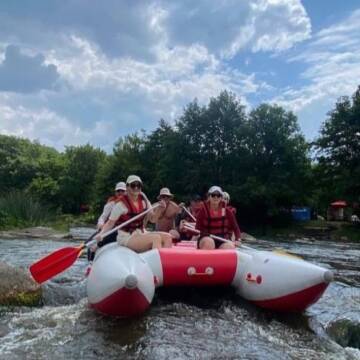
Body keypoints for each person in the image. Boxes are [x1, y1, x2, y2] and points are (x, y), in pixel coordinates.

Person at [95, 175, 172, 252]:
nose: (136, 188)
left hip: (141, 232)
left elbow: (153, 219)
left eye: (138, 185)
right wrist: (101, 234)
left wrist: (159, 209)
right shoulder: (120, 204)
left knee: (168, 237)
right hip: (126, 236)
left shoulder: (144, 200)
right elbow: (110, 223)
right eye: (133, 185)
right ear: (127, 187)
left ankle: (166, 262)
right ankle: (156, 261)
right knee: (156, 238)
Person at [88, 181, 126, 261]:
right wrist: (100, 224)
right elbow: (103, 217)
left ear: (126, 192)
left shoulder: (129, 203)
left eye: (122, 191)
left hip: (123, 230)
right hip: (110, 229)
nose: (120, 193)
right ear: (115, 192)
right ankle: (91, 263)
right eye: (118, 191)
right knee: (92, 242)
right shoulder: (111, 203)